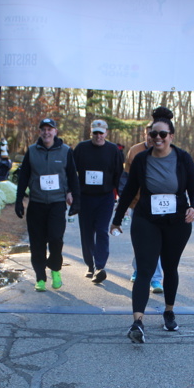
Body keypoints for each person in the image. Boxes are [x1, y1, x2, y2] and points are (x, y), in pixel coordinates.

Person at [111, 108, 194, 343]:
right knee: (145, 269)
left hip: (177, 222)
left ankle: (168, 311)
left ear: (171, 136)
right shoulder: (141, 159)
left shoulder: (183, 158)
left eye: (162, 134)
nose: (157, 138)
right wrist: (117, 219)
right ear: (149, 136)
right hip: (146, 220)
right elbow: (129, 190)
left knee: (170, 267)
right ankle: (137, 322)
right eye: (153, 134)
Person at [14, 118, 80, 291]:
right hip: (37, 203)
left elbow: (72, 176)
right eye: (43, 129)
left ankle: (55, 269)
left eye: (49, 129)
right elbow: (24, 177)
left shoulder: (65, 151)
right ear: (39, 132)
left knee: (56, 239)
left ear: (55, 131)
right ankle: (40, 277)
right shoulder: (32, 151)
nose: (46, 132)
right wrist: (19, 200)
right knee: (37, 243)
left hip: (57, 203)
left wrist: (76, 201)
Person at [73, 119, 124, 284]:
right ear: (91, 132)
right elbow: (71, 172)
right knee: (87, 233)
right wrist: (70, 192)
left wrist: (122, 198)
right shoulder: (81, 148)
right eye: (95, 132)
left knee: (102, 230)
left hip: (105, 197)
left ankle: (100, 267)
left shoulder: (113, 150)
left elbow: (119, 175)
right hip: (85, 197)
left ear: (106, 133)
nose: (98, 136)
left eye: (101, 133)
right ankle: (90, 265)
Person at [123, 119, 164, 294]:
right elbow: (126, 180)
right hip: (138, 204)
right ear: (145, 134)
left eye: (156, 134)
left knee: (156, 243)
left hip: (159, 205)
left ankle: (156, 279)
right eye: (149, 133)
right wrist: (125, 204)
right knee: (140, 242)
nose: (152, 137)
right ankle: (138, 269)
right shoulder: (134, 151)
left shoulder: (165, 150)